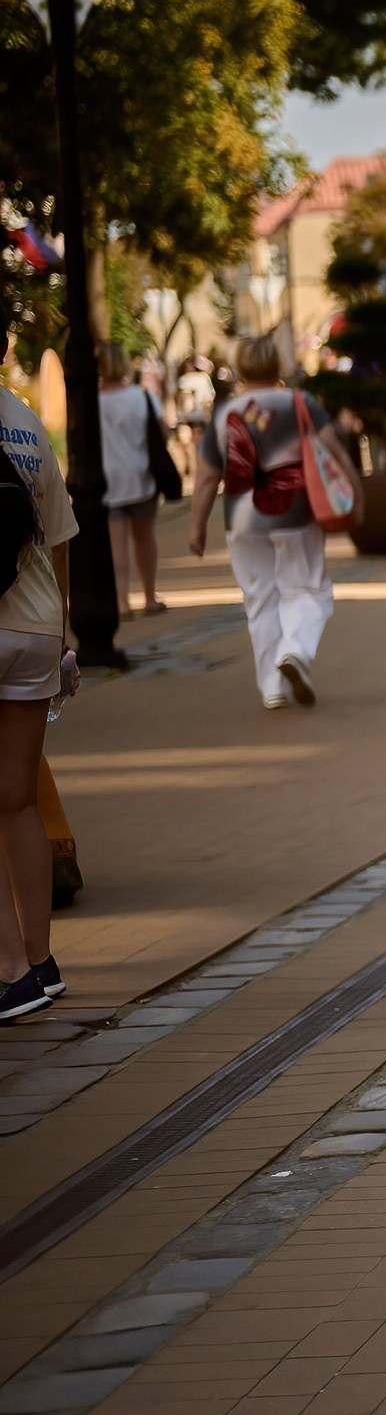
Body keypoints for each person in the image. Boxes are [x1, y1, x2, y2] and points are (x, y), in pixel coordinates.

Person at [190, 331, 357, 710]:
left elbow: (205, 478)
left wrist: (197, 526)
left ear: (241, 367)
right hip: (297, 512)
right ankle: (296, 651)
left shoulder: (224, 415)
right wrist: (356, 492)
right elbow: (336, 452)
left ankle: (273, 688)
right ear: (277, 365)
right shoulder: (301, 402)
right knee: (307, 588)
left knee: (261, 599)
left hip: (243, 521)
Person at [0, 325, 78, 1018]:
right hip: (33, 627)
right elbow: (59, 540)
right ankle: (42, 958)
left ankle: (8, 970)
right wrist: (65, 632)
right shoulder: (26, 422)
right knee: (18, 799)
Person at [96, 342, 169, 617]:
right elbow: (162, 432)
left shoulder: (92, 402)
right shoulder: (143, 397)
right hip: (142, 478)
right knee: (145, 538)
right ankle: (149, 597)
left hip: (109, 482)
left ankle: (122, 602)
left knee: (117, 546)